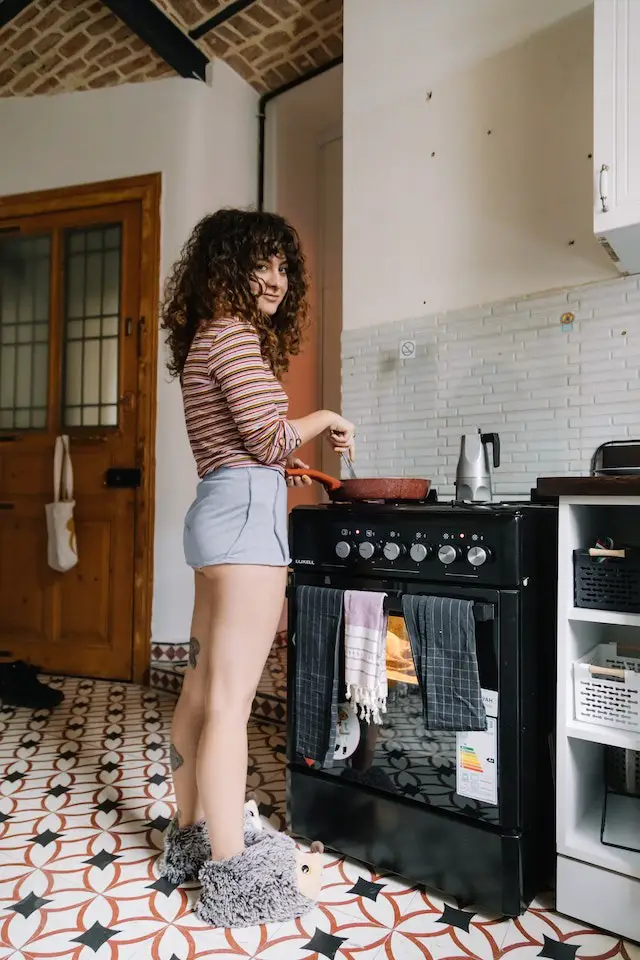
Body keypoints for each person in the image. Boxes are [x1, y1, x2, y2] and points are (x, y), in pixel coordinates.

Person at [157, 209, 355, 927]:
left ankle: (188, 838)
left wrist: (282, 470)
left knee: (200, 689)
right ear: (227, 267)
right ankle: (233, 873)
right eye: (259, 264)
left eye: (282, 267)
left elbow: (243, 453)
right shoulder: (237, 336)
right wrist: (324, 416)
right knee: (232, 703)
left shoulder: (207, 336)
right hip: (245, 531)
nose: (274, 279)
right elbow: (269, 438)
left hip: (217, 517)